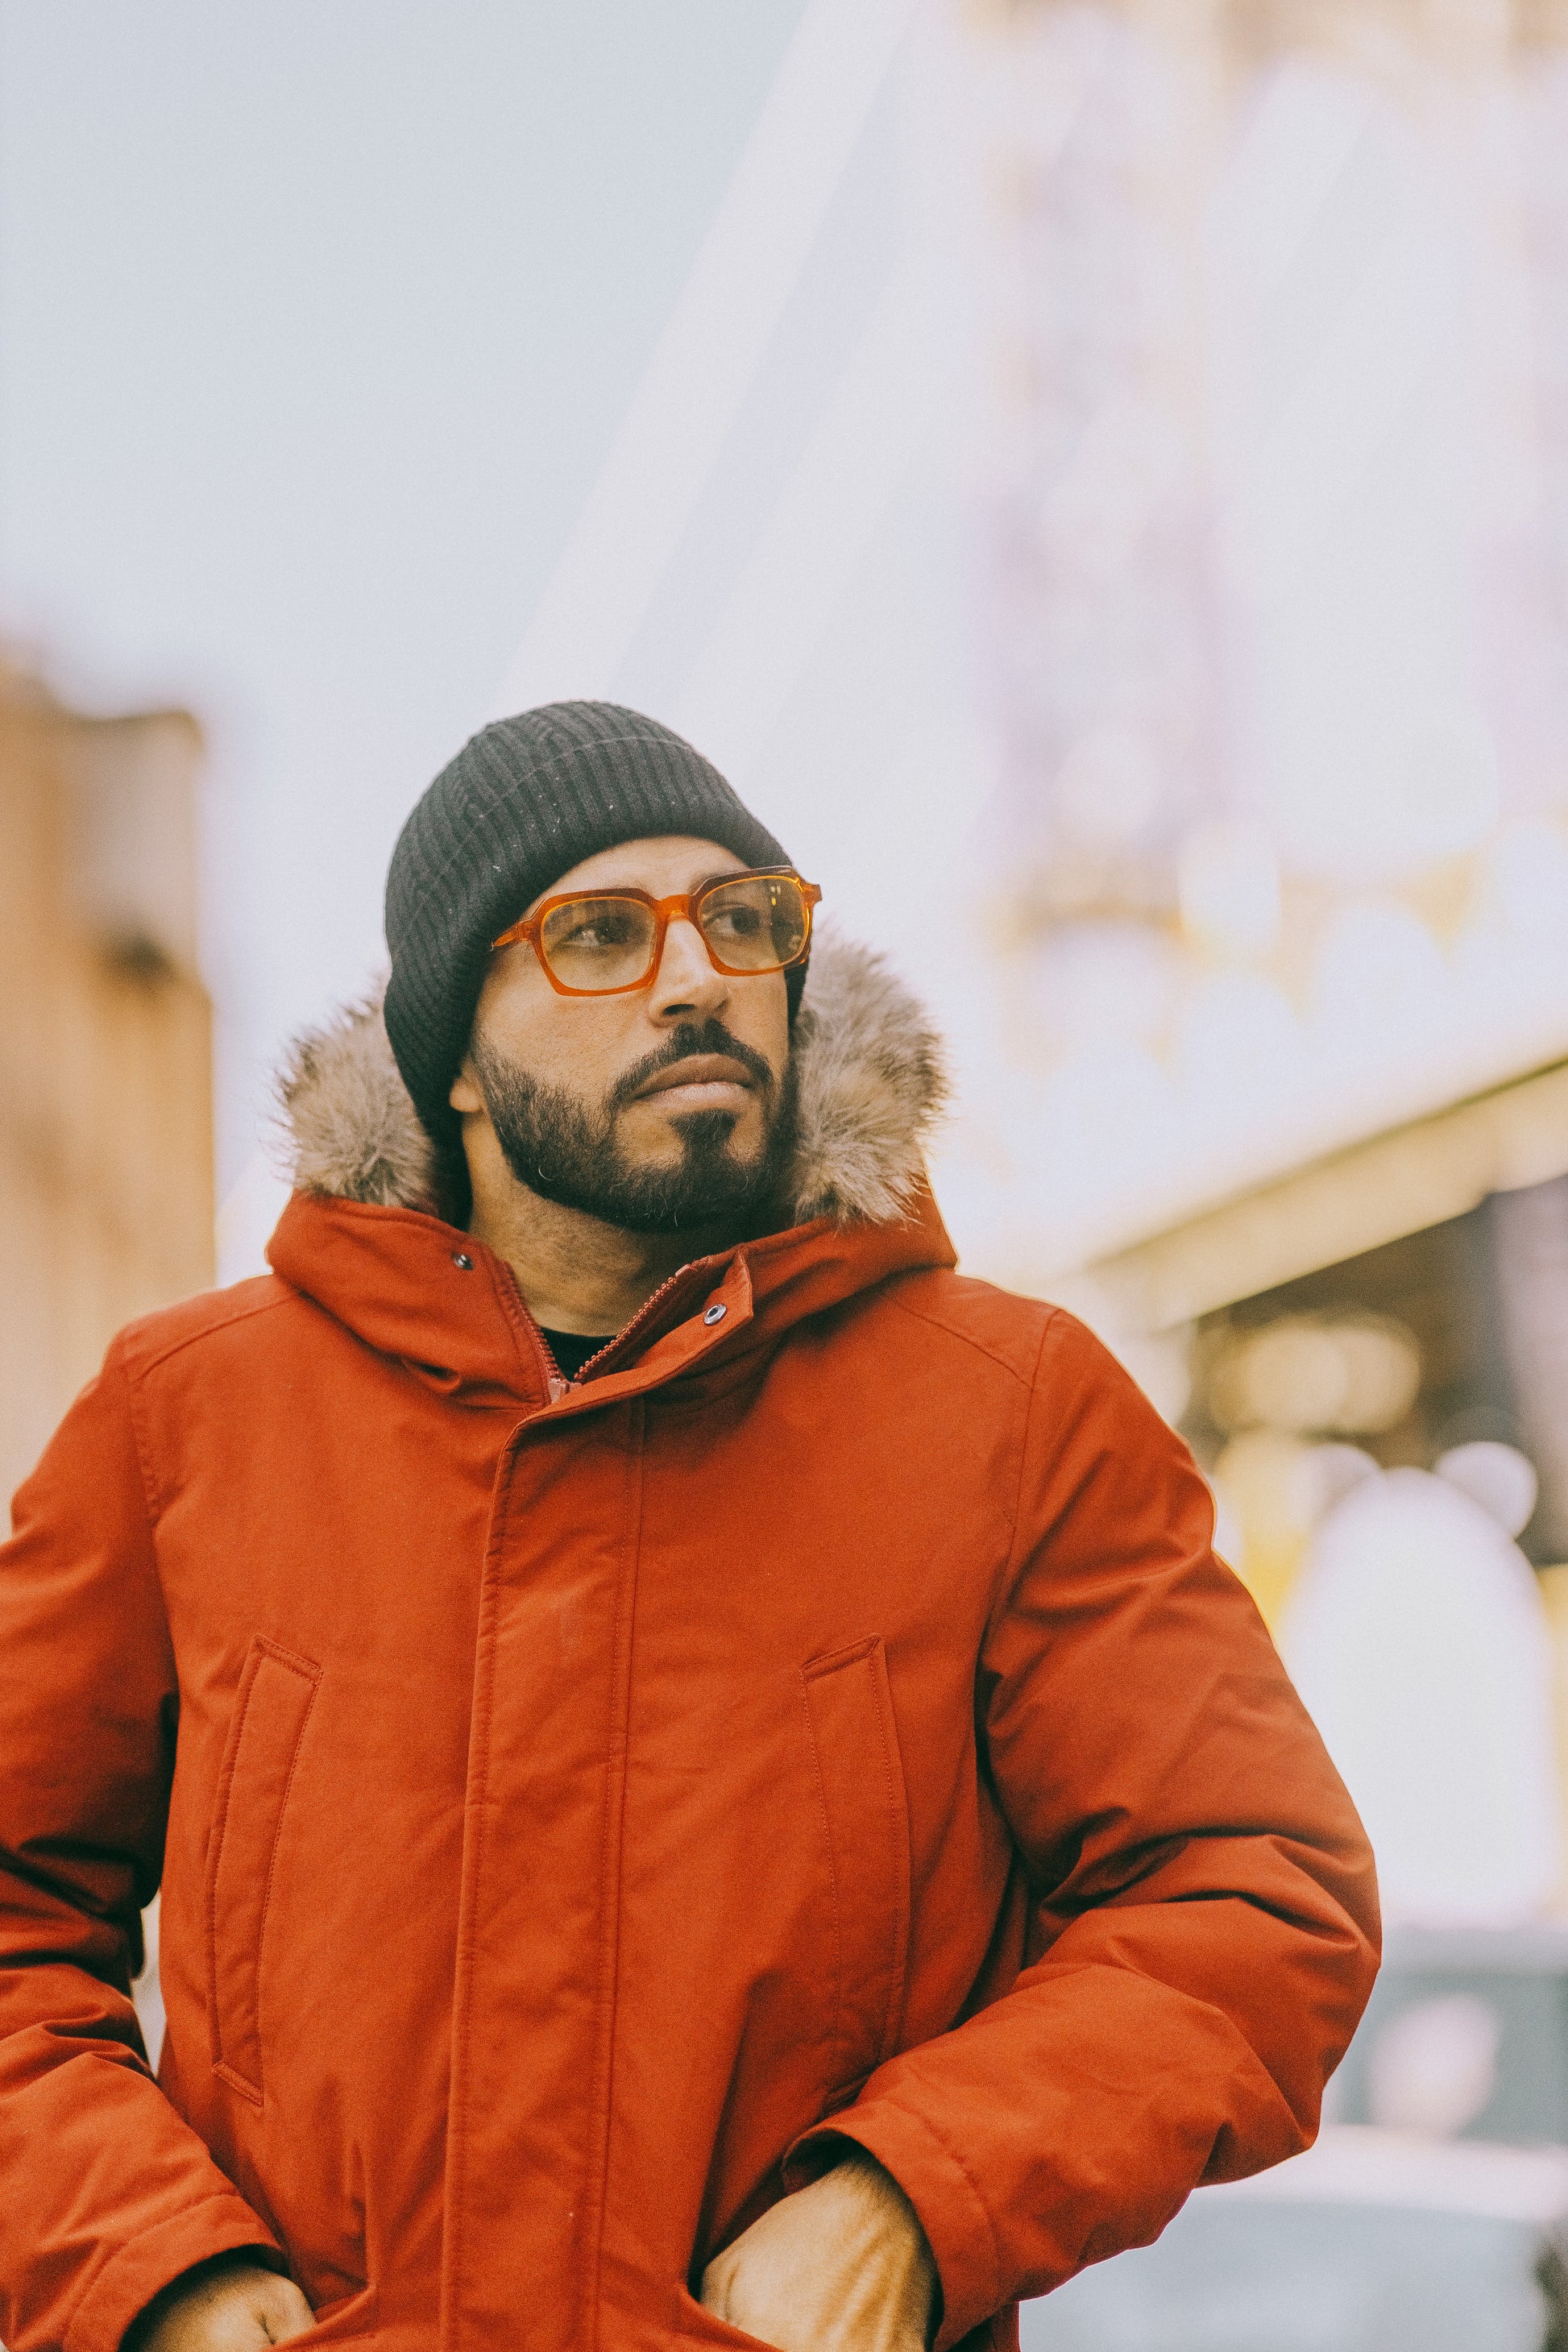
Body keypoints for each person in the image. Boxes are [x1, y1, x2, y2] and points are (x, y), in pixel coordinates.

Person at [0, 703, 1378, 2352]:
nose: (692, 975)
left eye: (741, 918)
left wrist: (915, 2195)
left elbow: (1255, 1894)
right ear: (453, 1055)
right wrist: (153, 2271)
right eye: (594, 933)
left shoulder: (1010, 1410)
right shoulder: (187, 1418)